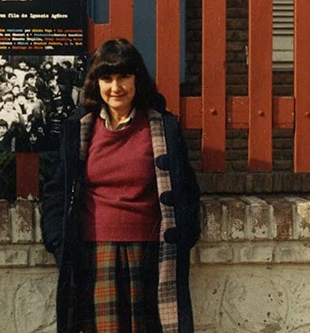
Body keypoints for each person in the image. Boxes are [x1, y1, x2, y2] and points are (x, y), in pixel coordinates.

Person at [41, 38, 201, 333]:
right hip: (94, 255)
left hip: (151, 257)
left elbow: (187, 189)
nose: (116, 87)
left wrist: (185, 234)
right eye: (107, 78)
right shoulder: (78, 129)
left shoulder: (162, 128)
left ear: (137, 79)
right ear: (96, 83)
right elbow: (55, 190)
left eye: (124, 76)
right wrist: (58, 241)